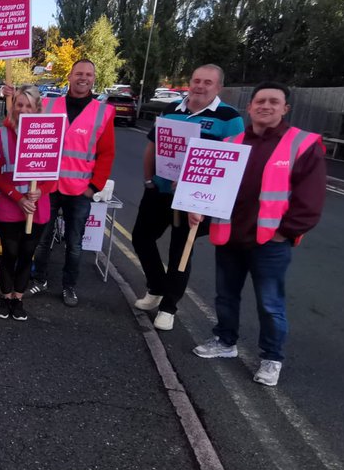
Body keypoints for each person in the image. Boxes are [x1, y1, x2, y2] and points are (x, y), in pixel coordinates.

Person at [192, 82, 326, 387]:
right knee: (225, 296)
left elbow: (311, 199)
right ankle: (225, 341)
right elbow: (211, 185)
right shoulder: (232, 140)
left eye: (274, 102)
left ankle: (271, 357)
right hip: (230, 235)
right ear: (250, 107)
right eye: (260, 101)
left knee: (270, 304)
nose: (266, 106)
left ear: (284, 109)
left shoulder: (302, 144)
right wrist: (194, 201)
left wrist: (286, 233)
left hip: (270, 242)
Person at [132, 64, 244, 332]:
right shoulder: (172, 109)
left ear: (218, 88)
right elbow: (153, 146)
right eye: (196, 80)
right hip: (159, 192)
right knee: (141, 238)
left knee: (180, 252)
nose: (200, 86)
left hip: (194, 198)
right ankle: (157, 287)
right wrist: (148, 181)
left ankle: (169, 307)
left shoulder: (230, 118)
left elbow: (231, 164)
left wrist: (206, 200)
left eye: (207, 82)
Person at [29, 59, 116, 307]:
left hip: (80, 190)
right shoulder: (47, 104)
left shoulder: (104, 112)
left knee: (74, 243)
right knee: (43, 238)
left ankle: (69, 287)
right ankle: (40, 279)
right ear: (69, 76)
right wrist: (10, 98)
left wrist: (94, 188)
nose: (83, 78)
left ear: (93, 79)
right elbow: (26, 126)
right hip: (48, 186)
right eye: (79, 73)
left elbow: (107, 154)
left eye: (89, 74)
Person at [0, 85, 53, 321]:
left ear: (37, 109)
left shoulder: (49, 136)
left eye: (28, 106)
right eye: (19, 104)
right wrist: (18, 197)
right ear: (13, 106)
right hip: (10, 205)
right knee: (10, 253)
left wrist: (40, 191)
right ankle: (5, 297)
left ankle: (18, 298)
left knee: (27, 254)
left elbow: (53, 178)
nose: (23, 109)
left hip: (37, 208)